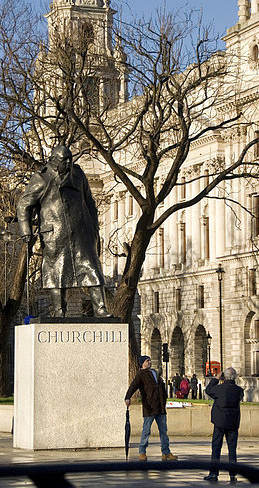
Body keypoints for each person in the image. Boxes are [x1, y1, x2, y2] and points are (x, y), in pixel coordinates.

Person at [17, 144, 111, 317]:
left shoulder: (78, 174)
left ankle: (100, 308)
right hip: (55, 234)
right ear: (53, 161)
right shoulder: (42, 178)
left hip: (82, 232)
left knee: (92, 269)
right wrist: (26, 230)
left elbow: (89, 201)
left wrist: (93, 226)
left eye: (70, 159)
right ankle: (59, 312)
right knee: (57, 273)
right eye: (64, 160)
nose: (68, 163)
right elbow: (24, 204)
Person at [125, 355, 178, 461]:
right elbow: (133, 386)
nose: (149, 362)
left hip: (160, 406)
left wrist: (164, 399)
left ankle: (166, 452)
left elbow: (161, 387)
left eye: (150, 360)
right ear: (142, 363)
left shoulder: (155, 372)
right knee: (146, 430)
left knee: (163, 431)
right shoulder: (141, 374)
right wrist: (127, 397)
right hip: (149, 406)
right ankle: (142, 451)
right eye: (147, 361)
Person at [204, 367, 244, 484]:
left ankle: (213, 473)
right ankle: (232, 474)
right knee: (232, 449)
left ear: (224, 376)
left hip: (220, 422)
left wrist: (216, 378)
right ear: (235, 377)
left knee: (216, 448)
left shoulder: (219, 389)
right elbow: (240, 397)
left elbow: (208, 390)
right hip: (232, 422)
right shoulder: (239, 390)